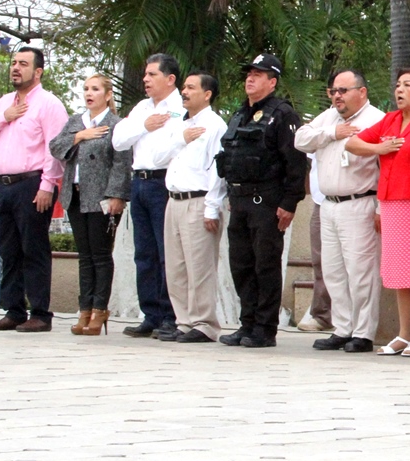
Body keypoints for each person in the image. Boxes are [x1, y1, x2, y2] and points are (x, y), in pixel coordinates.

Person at [349, 68, 410, 357]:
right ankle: (403, 333)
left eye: (407, 85)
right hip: (391, 203)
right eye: (398, 85)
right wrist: (380, 147)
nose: (399, 90)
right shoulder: (390, 119)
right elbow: (352, 143)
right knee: (401, 271)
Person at [216, 53, 306, 348]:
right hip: (240, 200)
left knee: (265, 265)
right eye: (249, 74)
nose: (250, 79)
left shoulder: (283, 115)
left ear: (272, 82)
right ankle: (247, 323)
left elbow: (295, 162)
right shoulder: (239, 113)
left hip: (267, 201)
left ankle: (265, 329)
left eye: (258, 74)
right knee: (241, 264)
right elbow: (231, 157)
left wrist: (289, 203)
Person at [0, 46, 68, 333]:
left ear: (38, 71)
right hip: (3, 185)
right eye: (14, 63)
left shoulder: (49, 104)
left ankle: (40, 313)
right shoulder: (4, 103)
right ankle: (14, 311)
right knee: (9, 251)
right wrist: (5, 116)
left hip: (32, 183)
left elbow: (55, 149)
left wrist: (47, 185)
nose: (16, 68)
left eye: (23, 64)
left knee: (34, 249)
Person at [295, 69, 386, 354]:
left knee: (361, 272)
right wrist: (332, 133)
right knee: (333, 271)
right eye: (333, 91)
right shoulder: (329, 118)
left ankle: (363, 332)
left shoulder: (377, 119)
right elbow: (300, 139)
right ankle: (342, 328)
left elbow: (386, 167)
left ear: (362, 91)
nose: (337, 96)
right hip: (329, 204)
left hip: (360, 202)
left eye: (343, 91)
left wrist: (380, 208)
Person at [110, 53, 186, 339]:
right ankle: (150, 314)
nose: (145, 79)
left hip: (164, 182)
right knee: (144, 253)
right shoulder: (142, 108)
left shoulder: (180, 107)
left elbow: (176, 145)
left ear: (170, 79)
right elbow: (118, 140)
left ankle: (170, 315)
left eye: (152, 74)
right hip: (139, 182)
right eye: (145, 74)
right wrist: (144, 125)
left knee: (167, 253)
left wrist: (145, 128)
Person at [49, 75, 131, 336]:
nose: (89, 93)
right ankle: (84, 309)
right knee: (84, 256)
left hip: (101, 197)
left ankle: (99, 309)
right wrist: (79, 136)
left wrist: (116, 195)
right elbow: (55, 147)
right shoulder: (76, 122)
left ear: (107, 95)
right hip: (75, 195)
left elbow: (121, 163)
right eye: (86, 89)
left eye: (95, 89)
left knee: (100, 254)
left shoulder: (116, 124)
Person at [158, 71, 227, 344]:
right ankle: (184, 321)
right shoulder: (179, 124)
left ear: (207, 94)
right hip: (174, 200)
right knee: (176, 267)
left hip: (198, 201)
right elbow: (158, 157)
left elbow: (217, 171)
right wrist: (181, 139)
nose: (184, 92)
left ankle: (204, 323)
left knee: (200, 266)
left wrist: (212, 207)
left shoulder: (215, 125)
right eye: (184, 87)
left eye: (191, 87)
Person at [297, 160, 334, 333]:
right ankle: (322, 314)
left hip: (352, 196)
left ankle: (349, 318)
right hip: (320, 199)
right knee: (320, 261)